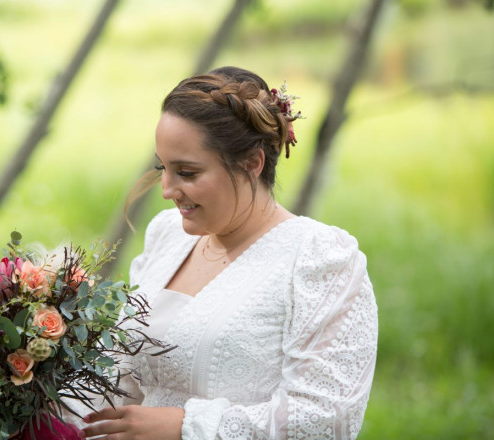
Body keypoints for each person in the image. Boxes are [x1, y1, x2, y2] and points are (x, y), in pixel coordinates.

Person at [79, 66, 378, 440]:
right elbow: (124, 380)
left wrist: (186, 427)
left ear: (252, 163)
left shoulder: (319, 261)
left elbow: (323, 420)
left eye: (186, 172)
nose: (167, 190)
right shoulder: (169, 235)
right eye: (163, 168)